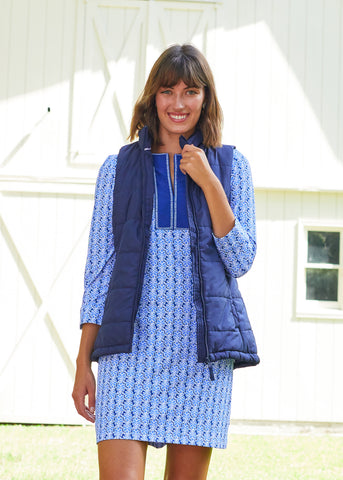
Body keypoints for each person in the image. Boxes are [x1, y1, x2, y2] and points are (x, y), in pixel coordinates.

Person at [72, 43, 259, 480]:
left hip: (200, 356)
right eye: (167, 91)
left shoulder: (232, 167)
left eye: (190, 91)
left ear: (205, 98)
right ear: (152, 98)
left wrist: (210, 182)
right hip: (128, 353)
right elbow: (99, 273)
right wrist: (84, 361)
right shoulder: (116, 170)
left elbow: (242, 259)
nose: (178, 103)